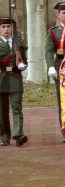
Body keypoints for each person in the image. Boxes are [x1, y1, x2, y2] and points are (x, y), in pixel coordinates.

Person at [45, 2, 65, 143]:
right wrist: (51, 66)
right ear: (59, 15)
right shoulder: (53, 31)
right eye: (63, 13)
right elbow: (49, 50)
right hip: (61, 69)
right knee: (63, 101)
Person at [0, 17, 28, 146]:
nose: (6, 29)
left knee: (17, 108)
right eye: (3, 27)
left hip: (15, 79)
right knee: (2, 111)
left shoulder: (18, 44)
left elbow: (24, 60)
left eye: (8, 27)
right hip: (1, 79)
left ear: (12, 28)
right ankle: (5, 136)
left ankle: (18, 135)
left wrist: (23, 66)